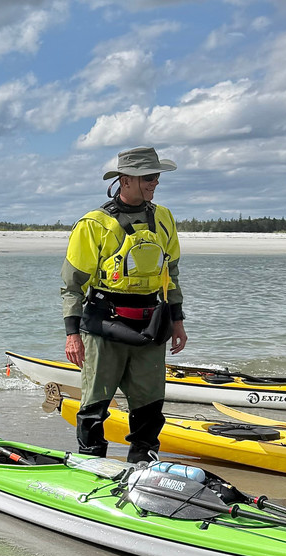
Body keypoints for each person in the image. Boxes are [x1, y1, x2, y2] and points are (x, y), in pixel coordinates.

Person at [61, 146, 188, 462]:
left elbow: (170, 273)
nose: (154, 183)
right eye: (148, 177)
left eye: (156, 176)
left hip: (150, 325)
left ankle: (142, 467)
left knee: (150, 408)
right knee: (94, 407)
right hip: (104, 326)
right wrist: (72, 334)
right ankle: (91, 465)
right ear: (125, 179)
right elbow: (72, 286)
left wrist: (177, 320)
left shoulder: (164, 218)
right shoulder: (94, 224)